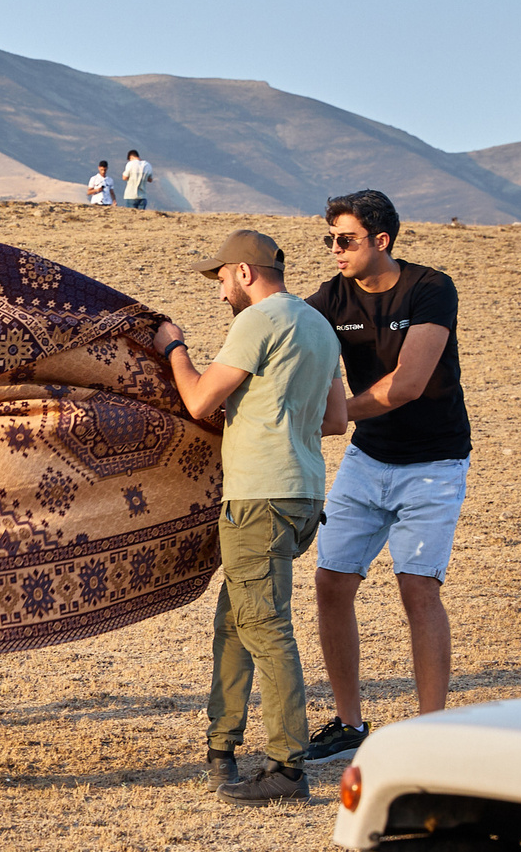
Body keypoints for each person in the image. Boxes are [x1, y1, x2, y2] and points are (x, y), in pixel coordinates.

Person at [154, 230, 348, 802]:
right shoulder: (318, 325)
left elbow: (197, 400)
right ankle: (222, 747)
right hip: (303, 494)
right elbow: (336, 418)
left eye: (220, 279)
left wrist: (174, 349)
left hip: (259, 496)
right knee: (236, 621)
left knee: (265, 628)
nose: (220, 294)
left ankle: (288, 766)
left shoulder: (259, 321)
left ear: (244, 272)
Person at [300, 188, 471, 764]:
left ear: (382, 240)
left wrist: (334, 414)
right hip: (368, 459)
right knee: (331, 581)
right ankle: (350, 725)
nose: (334, 251)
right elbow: (285, 333)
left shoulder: (429, 287)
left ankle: (432, 735)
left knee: (418, 589)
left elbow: (408, 384)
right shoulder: (331, 299)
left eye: (344, 240)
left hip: (434, 462)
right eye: (329, 240)